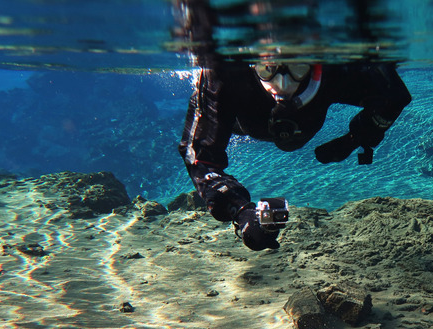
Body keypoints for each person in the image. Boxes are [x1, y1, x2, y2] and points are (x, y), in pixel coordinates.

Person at [175, 0, 412, 251]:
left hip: (303, 116)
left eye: (298, 65)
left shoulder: (339, 67)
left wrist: (354, 139)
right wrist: (241, 212)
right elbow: (199, 156)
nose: (283, 84)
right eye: (268, 69)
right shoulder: (226, 73)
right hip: (242, 123)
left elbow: (393, 99)